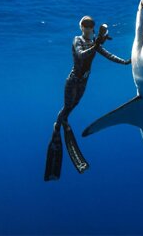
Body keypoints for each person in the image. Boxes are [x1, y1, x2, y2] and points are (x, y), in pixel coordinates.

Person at [44, 16, 131, 181]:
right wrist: (97, 43)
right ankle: (57, 127)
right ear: (81, 27)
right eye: (85, 25)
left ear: (93, 28)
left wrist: (125, 62)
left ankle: (63, 121)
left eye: (91, 25)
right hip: (73, 81)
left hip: (84, 82)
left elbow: (108, 55)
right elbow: (81, 55)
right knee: (67, 107)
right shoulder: (77, 40)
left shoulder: (94, 43)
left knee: (72, 107)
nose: (88, 28)